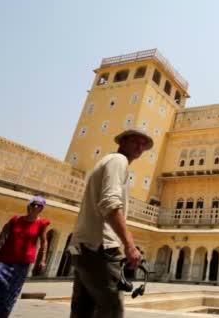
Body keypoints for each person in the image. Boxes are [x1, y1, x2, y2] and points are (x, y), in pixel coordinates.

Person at [69, 128, 153, 318]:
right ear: (122, 142)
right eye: (135, 141)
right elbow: (110, 203)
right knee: (112, 310)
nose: (139, 147)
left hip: (83, 248)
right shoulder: (118, 161)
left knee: (82, 311)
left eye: (143, 144)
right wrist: (129, 245)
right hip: (100, 248)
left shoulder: (108, 161)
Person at [0, 195, 50, 318]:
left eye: (39, 205)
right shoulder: (15, 219)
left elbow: (44, 242)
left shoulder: (41, 224)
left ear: (42, 208)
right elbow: (1, 237)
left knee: (10, 292)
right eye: (33, 204)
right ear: (29, 205)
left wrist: (43, 259)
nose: (35, 206)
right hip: (3, 260)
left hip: (22, 264)